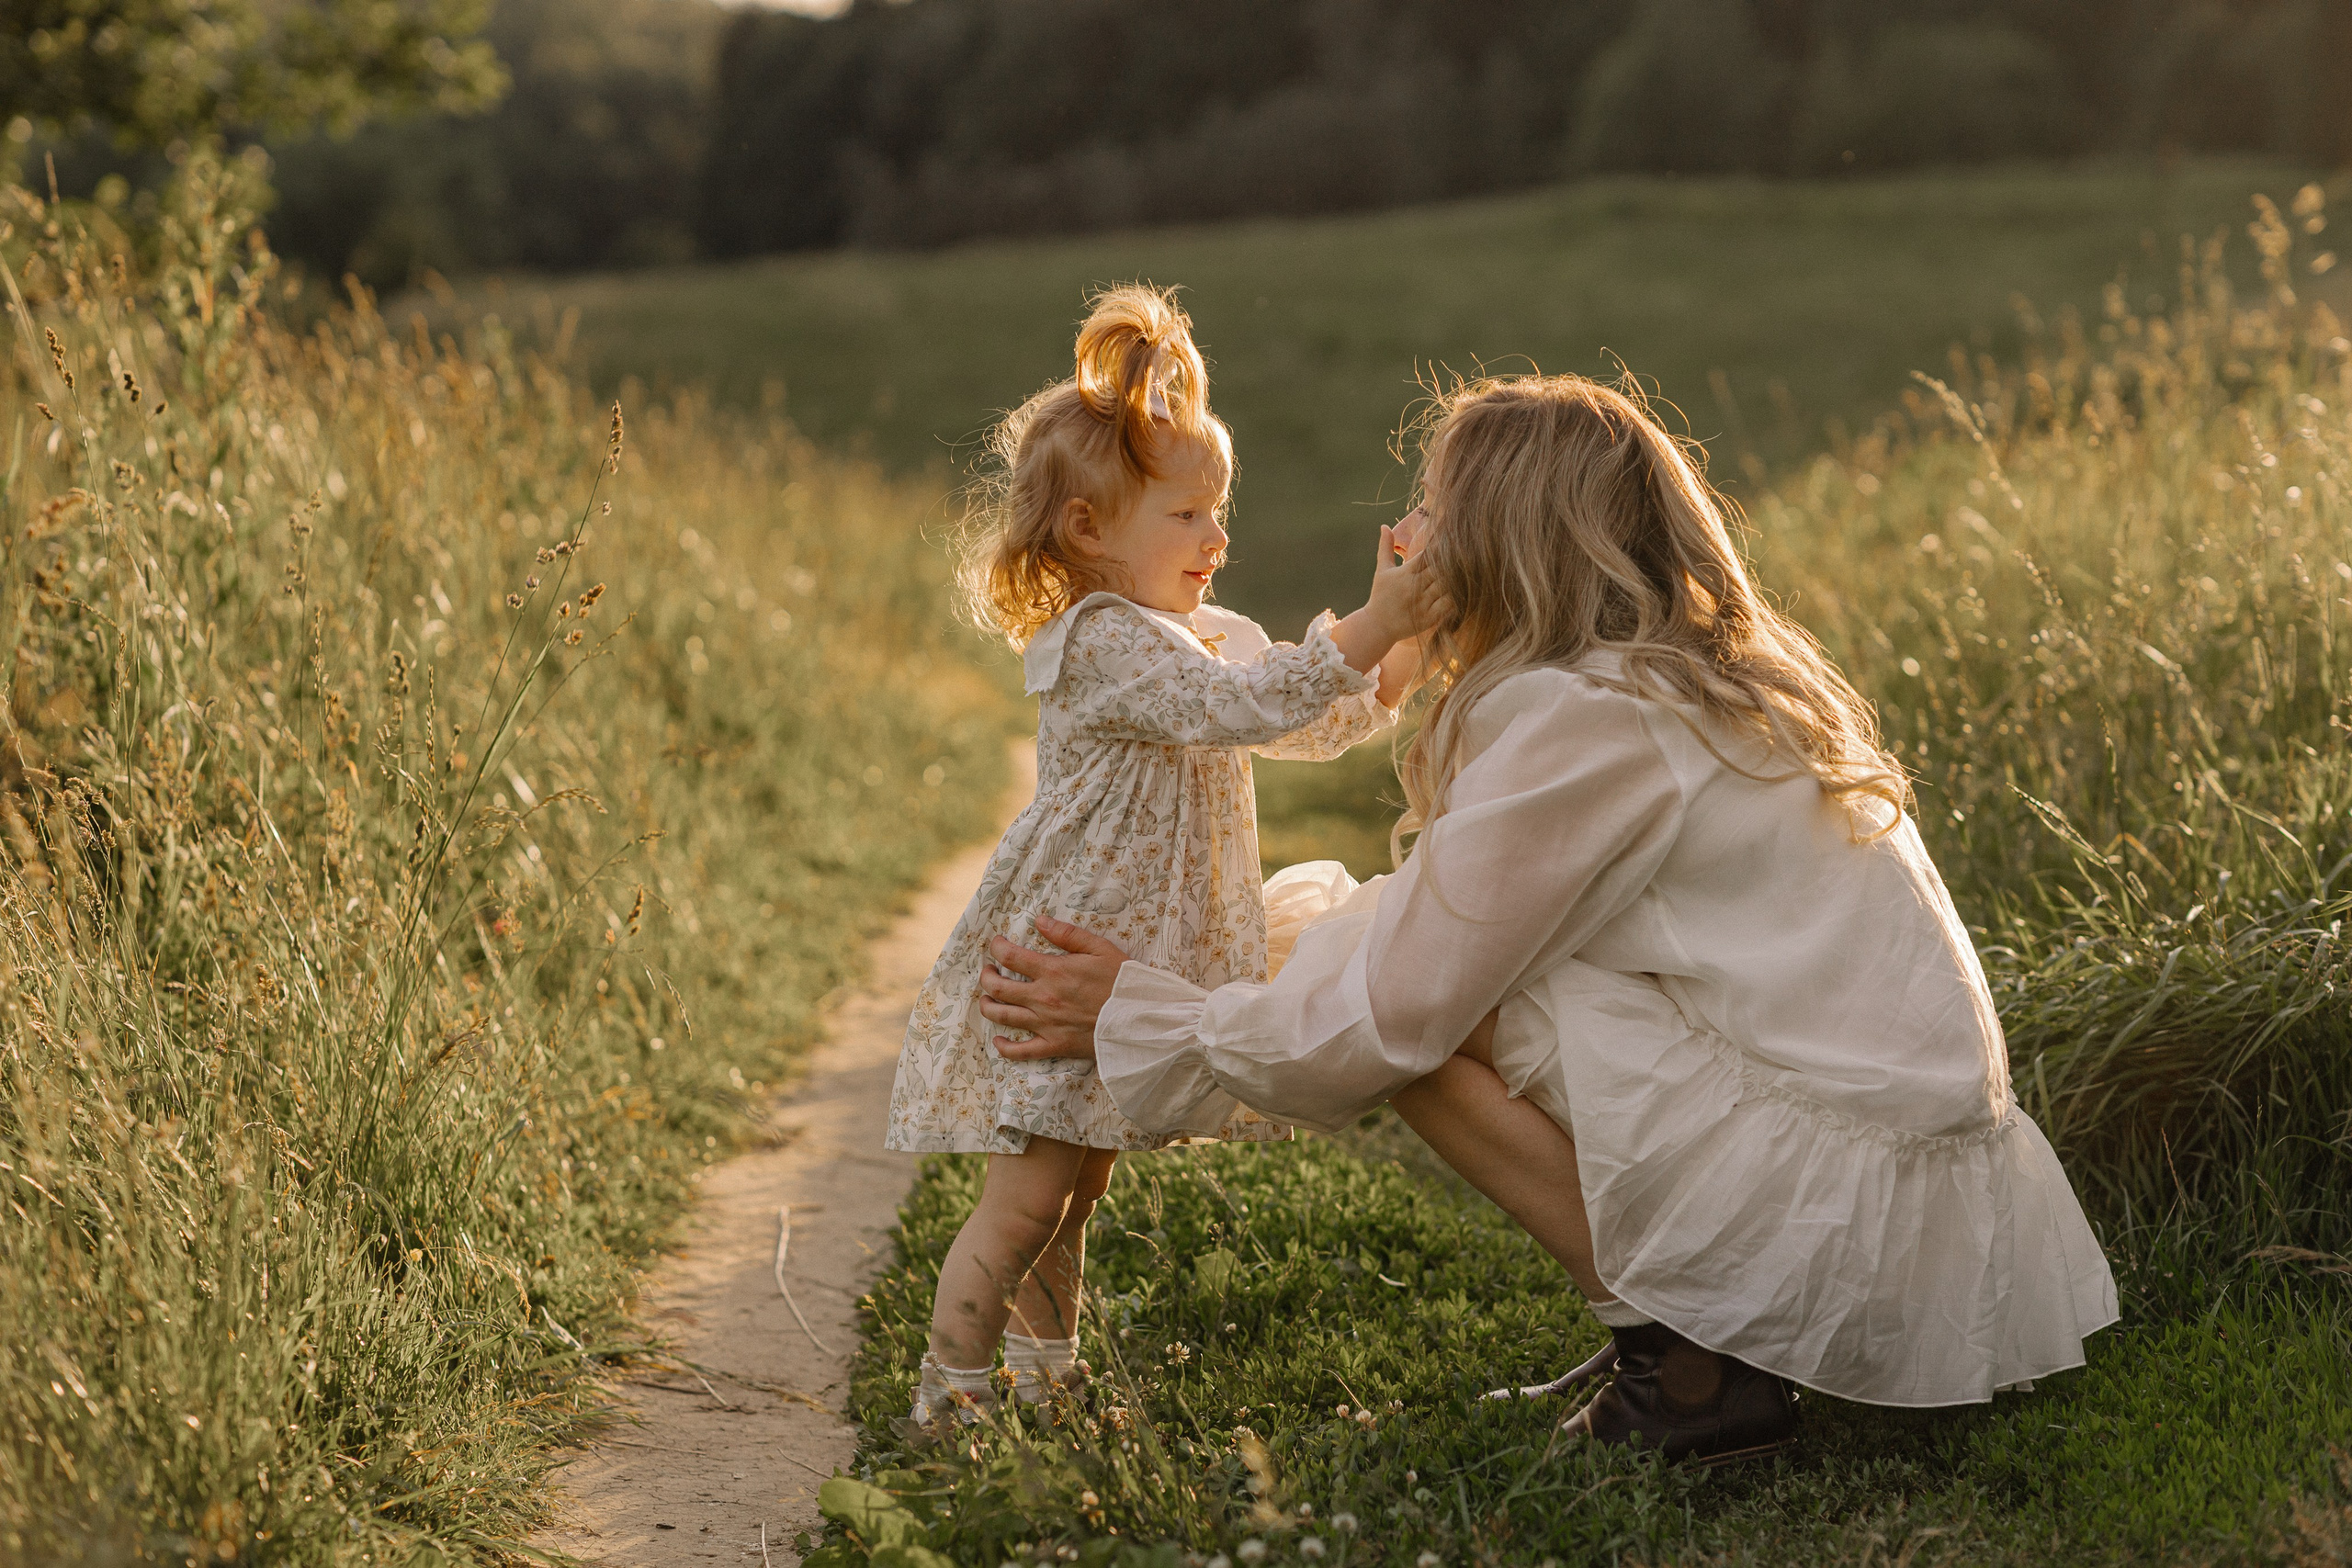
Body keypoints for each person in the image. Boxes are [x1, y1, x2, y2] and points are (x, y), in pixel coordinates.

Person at [980, 373, 2118, 1464]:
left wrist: (1147, 1013)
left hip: (1854, 1183)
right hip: (1894, 1143)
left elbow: (1390, 1016)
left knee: (1422, 1018)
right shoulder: (1676, 672)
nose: (1410, 527)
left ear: (1503, 537)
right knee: (1428, 960)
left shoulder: (1594, 719)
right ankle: (1686, 1321)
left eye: (1433, 502)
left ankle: (1686, 1364)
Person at [884, 285, 1449, 1433]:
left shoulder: (1198, 638)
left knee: (1075, 1189)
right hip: (1071, 960)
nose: (1217, 538)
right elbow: (1244, 707)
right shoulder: (1101, 643)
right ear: (1090, 531)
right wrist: (1371, 628)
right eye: (1189, 515)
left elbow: (1302, 715)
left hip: (1124, 972)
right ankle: (950, 1395)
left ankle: (1048, 1375)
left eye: (1220, 511)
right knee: (1027, 1195)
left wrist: (1406, 641)